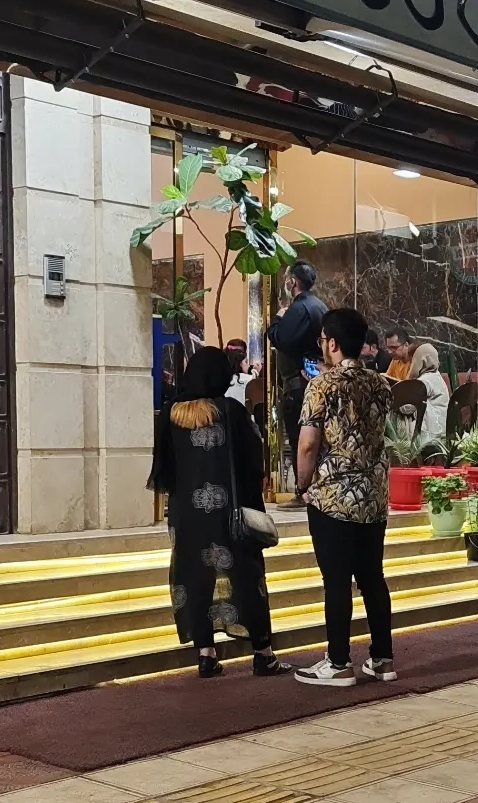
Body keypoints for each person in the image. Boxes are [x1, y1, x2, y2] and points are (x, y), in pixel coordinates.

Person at [147, 347, 287, 679]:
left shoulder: (170, 414)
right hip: (228, 513)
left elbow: (163, 471)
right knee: (245, 578)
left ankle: (206, 655)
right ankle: (263, 654)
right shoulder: (231, 411)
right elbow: (253, 462)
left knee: (196, 580)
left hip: (187, 516)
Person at [294, 307, 396, 688]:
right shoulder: (381, 384)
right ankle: (383, 659)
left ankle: (338, 662)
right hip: (373, 499)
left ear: (332, 343)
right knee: (373, 578)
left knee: (336, 581)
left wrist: (302, 484)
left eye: (323, 340)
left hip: (333, 498)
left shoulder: (321, 386)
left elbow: (308, 445)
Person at [267, 262, 327, 491]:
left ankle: (302, 491)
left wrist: (277, 319)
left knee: (298, 437)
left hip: (297, 383)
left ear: (292, 282)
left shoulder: (298, 308)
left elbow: (281, 338)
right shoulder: (320, 306)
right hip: (317, 380)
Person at [407, 342, 449, 441]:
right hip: (444, 429)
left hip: (430, 435)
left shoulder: (424, 381)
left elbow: (408, 408)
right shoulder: (437, 376)